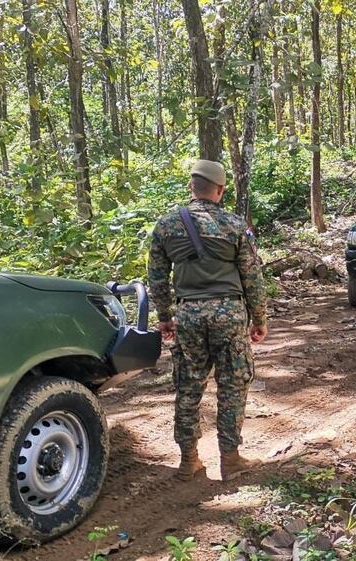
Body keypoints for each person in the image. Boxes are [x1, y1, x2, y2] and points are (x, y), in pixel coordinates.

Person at [148, 159, 270, 482]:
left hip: (188, 314)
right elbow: (252, 277)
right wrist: (260, 318)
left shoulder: (166, 226)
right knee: (232, 384)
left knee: (188, 384)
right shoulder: (234, 225)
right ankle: (230, 459)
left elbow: (157, 278)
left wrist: (164, 317)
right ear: (220, 190)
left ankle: (189, 460)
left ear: (192, 187)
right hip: (228, 314)